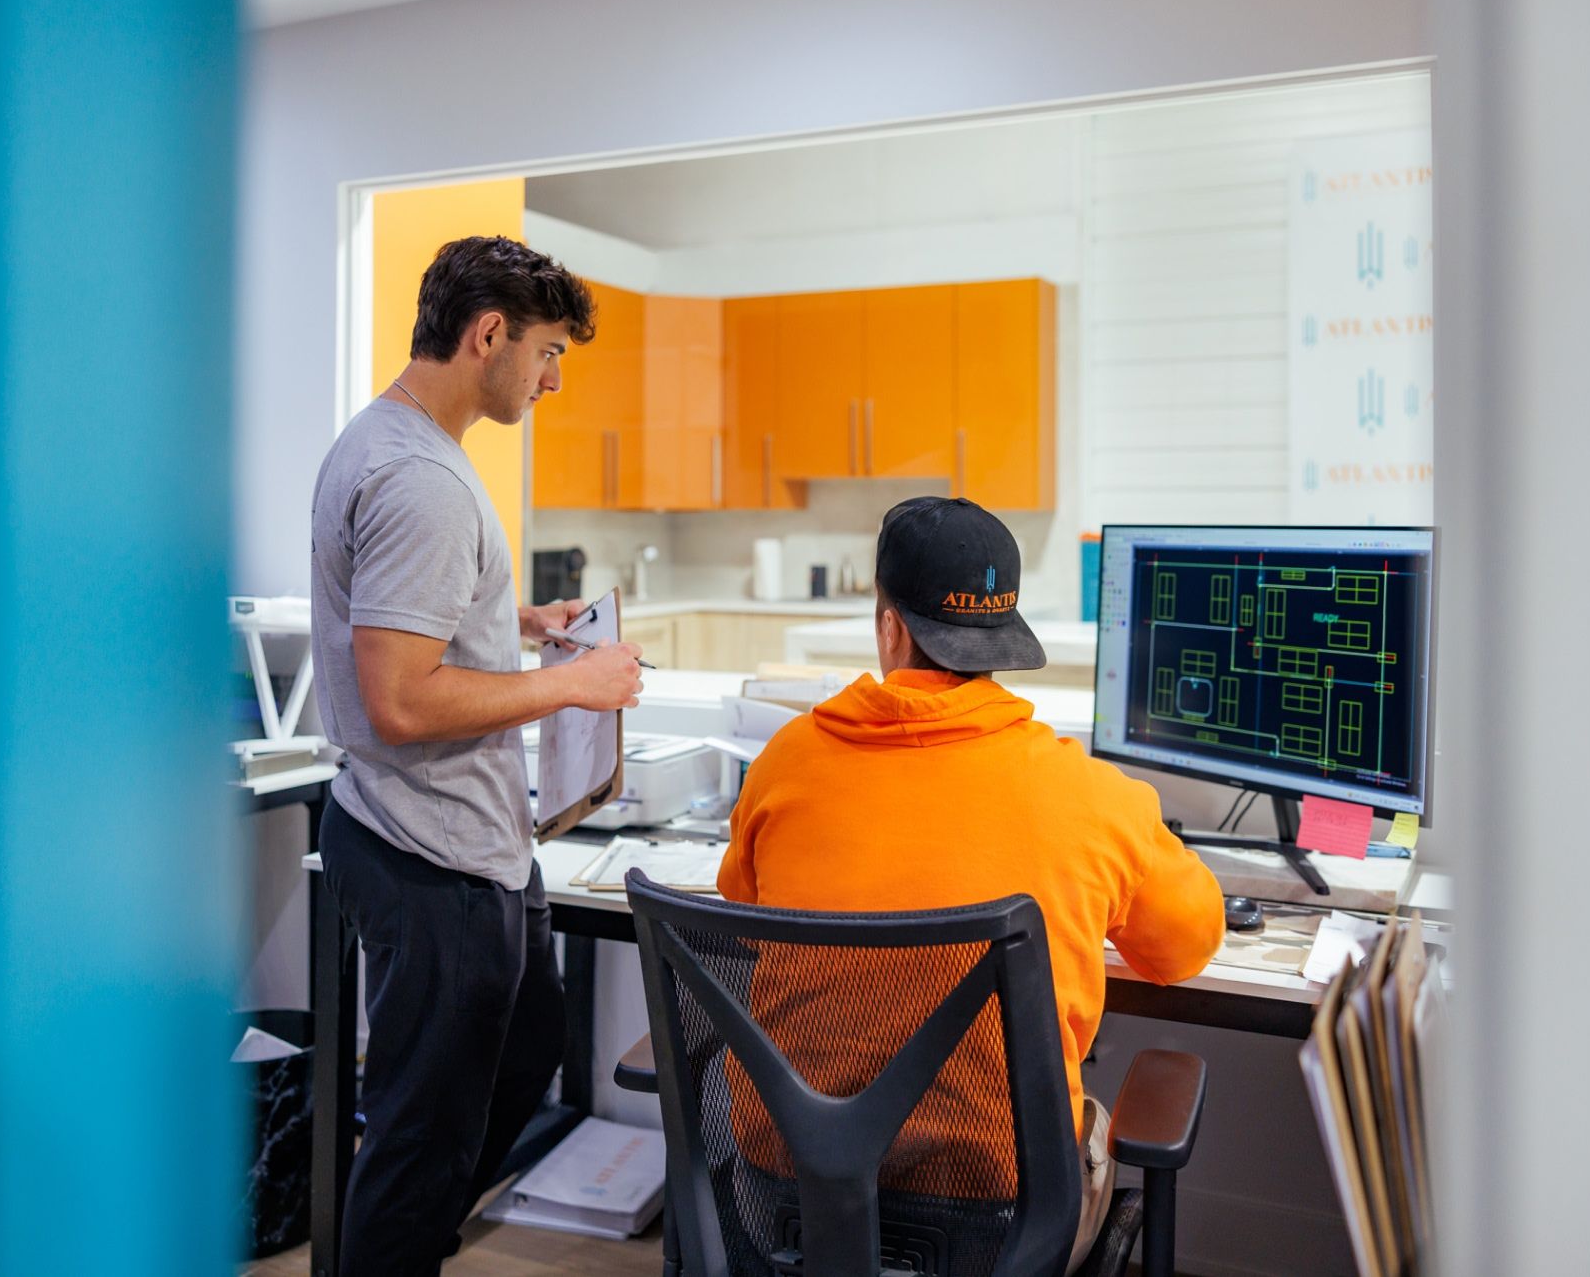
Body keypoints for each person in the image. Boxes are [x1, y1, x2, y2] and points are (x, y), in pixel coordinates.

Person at [718, 496, 1225, 1268]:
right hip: (999, 1217)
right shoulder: (1093, 798)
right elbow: (1184, 951)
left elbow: (743, 904)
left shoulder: (786, 762)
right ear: (1004, 635)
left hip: (787, 1191)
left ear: (890, 626)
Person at [310, 235, 643, 1275]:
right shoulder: (424, 484)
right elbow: (401, 699)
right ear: (488, 335)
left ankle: (405, 1241)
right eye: (546, 353)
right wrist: (574, 683)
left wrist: (514, 626)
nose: (550, 380)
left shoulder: (392, 441)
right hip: (433, 852)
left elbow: (414, 636)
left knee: (516, 1061)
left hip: (450, 840)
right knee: (419, 1143)